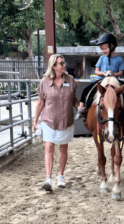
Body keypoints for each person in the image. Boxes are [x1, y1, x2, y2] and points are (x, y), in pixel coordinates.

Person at [33, 54, 79, 191]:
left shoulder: (70, 80)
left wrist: (78, 106)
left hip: (66, 121)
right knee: (49, 148)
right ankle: (48, 178)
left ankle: (60, 176)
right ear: (53, 66)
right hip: (49, 121)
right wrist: (35, 122)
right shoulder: (44, 82)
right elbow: (40, 103)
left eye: (64, 63)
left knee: (63, 148)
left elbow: (74, 99)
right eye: (61, 63)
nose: (64, 65)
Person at [75, 33, 124, 120]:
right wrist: (103, 73)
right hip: (101, 80)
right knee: (86, 89)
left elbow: (121, 72)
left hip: (114, 80)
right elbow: (96, 71)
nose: (103, 51)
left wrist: (114, 74)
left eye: (105, 49)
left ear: (112, 47)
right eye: (102, 49)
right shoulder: (102, 58)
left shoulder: (119, 59)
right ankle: (81, 108)